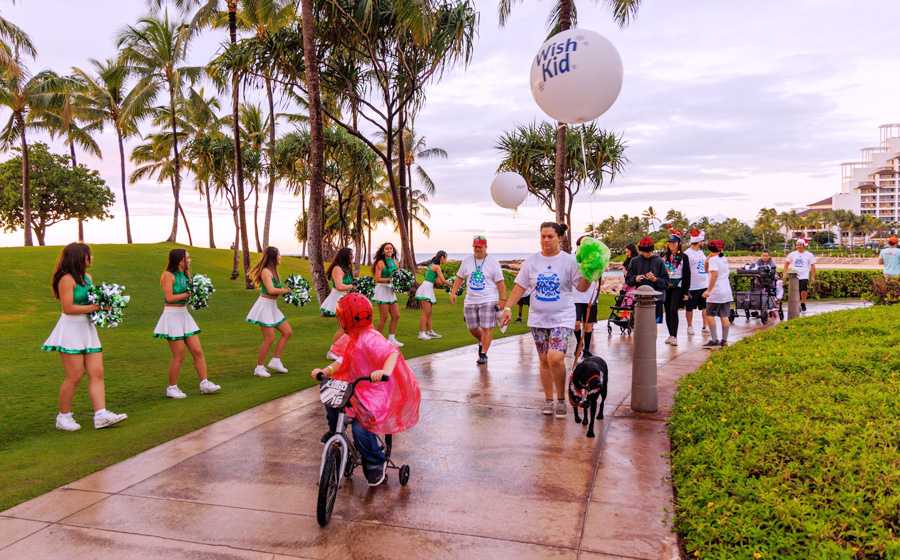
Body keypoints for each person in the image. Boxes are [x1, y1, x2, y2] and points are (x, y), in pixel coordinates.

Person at [312, 293, 421, 487]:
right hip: (355, 388)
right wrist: (325, 370)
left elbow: (392, 352)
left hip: (375, 392)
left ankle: (376, 461)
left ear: (345, 320)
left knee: (361, 429)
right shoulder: (352, 337)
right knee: (331, 400)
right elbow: (342, 360)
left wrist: (384, 371)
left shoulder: (371, 338)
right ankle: (334, 432)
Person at [499, 222, 591, 418]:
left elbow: (582, 288)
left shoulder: (569, 261)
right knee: (543, 360)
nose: (546, 240)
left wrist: (591, 272)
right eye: (543, 236)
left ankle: (561, 400)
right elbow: (519, 287)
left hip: (562, 318)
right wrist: (508, 308)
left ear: (560, 238)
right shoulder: (531, 262)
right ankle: (549, 400)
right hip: (538, 319)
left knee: (555, 358)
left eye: (550, 236)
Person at [42, 243, 127, 431]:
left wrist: (106, 308)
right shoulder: (65, 279)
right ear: (80, 257)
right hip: (70, 329)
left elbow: (92, 302)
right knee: (74, 375)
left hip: (87, 329)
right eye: (90, 255)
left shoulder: (88, 278)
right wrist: (98, 307)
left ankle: (101, 415)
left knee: (97, 372)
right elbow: (68, 308)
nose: (92, 258)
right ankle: (63, 417)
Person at [153, 249, 221, 397]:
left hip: (184, 314)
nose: (190, 260)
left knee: (197, 350)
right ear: (180, 260)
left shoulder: (186, 275)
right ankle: (172, 388)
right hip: (172, 316)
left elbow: (189, 296)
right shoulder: (168, 275)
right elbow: (169, 297)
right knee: (179, 355)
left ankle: (204, 383)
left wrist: (200, 295)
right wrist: (191, 292)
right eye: (187, 258)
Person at [450, 235, 507, 365]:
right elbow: (459, 278)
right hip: (470, 299)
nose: (477, 249)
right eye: (475, 247)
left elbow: (500, 282)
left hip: (488, 298)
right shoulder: (467, 261)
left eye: (480, 247)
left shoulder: (493, 262)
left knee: (486, 327)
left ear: (486, 247)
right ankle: (483, 341)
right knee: (472, 327)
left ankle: (483, 354)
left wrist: (503, 299)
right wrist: (453, 292)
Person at [246, 247, 294, 378]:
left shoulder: (274, 271)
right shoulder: (266, 271)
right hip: (264, 306)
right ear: (273, 257)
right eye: (279, 255)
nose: (280, 257)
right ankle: (259, 368)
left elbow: (276, 289)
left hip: (272, 306)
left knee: (287, 332)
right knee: (269, 338)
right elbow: (271, 290)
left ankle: (275, 361)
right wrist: (288, 291)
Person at [624, 237, 669, 329]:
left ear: (651, 250)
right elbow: (628, 280)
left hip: (656, 300)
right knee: (640, 326)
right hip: (640, 299)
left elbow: (666, 283)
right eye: (643, 252)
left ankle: (653, 342)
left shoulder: (659, 261)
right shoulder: (635, 261)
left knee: (653, 326)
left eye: (647, 252)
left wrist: (655, 279)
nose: (645, 254)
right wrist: (635, 279)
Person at [321, 247, 355, 354]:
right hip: (338, 299)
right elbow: (339, 286)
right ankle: (332, 351)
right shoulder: (337, 268)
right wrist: (353, 286)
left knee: (348, 327)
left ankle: (344, 348)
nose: (352, 257)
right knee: (344, 327)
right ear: (345, 256)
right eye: (350, 255)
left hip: (346, 298)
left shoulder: (346, 268)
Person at [702, 240, 733, 347]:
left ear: (709, 249)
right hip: (726, 292)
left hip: (716, 292)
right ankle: (724, 340)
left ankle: (714, 339)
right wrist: (706, 261)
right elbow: (708, 271)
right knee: (724, 315)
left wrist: (709, 290)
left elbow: (714, 274)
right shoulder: (723, 258)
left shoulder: (714, 260)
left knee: (709, 314)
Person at [371, 242, 404, 347]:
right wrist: (390, 280)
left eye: (391, 248)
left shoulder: (395, 261)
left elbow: (398, 275)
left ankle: (391, 339)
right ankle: (377, 341)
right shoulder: (380, 263)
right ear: (383, 251)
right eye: (386, 249)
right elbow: (378, 279)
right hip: (382, 290)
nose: (389, 250)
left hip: (391, 290)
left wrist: (400, 282)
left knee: (396, 315)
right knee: (384, 316)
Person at [661, 233, 691, 346]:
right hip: (666, 284)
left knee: (674, 309)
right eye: (670, 242)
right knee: (667, 310)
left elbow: (687, 274)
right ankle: (670, 334)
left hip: (677, 285)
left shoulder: (684, 257)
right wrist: (662, 261)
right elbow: (659, 270)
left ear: (679, 244)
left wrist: (686, 291)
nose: (671, 245)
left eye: (674, 242)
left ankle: (675, 335)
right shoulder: (664, 255)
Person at [573, 235, 600, 358]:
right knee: (576, 323)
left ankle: (587, 350)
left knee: (588, 325)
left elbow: (599, 279)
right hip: (575, 297)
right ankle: (579, 343)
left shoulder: (596, 260)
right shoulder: (574, 259)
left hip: (591, 296)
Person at [416, 251, 452, 340]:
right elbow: (443, 280)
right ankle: (421, 333)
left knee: (429, 312)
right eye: (446, 258)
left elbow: (439, 281)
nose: (446, 260)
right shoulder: (437, 266)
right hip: (426, 288)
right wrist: (453, 285)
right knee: (426, 312)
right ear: (442, 257)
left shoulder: (433, 265)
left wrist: (448, 285)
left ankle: (430, 331)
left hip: (429, 287)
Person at [683, 231, 708, 336]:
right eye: (702, 241)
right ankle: (689, 326)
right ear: (699, 241)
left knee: (705, 307)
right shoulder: (687, 253)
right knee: (689, 308)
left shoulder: (701, 253)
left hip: (704, 284)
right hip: (692, 286)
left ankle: (705, 325)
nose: (703, 243)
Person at [783, 238, 816, 312]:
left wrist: (813, 276)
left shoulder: (809, 255)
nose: (799, 246)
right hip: (795, 275)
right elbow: (787, 263)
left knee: (803, 291)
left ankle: (803, 303)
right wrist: (784, 273)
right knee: (796, 291)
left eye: (800, 245)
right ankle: (797, 304)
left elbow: (813, 266)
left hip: (804, 275)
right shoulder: (793, 254)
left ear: (804, 246)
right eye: (797, 245)